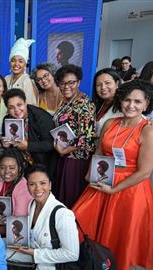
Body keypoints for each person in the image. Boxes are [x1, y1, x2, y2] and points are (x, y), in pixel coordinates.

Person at [73, 80, 153, 270]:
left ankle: (107, 266)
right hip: (102, 179)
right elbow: (99, 153)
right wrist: (89, 174)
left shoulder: (147, 130)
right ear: (120, 100)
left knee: (117, 230)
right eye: (127, 100)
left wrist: (114, 189)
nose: (131, 105)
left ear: (146, 104)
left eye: (137, 101)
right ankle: (88, 259)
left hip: (129, 188)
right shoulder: (111, 123)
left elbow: (144, 172)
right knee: (79, 219)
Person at [14, 164, 79, 270]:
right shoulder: (32, 204)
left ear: (50, 184)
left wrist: (36, 253)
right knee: (0, 253)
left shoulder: (62, 214)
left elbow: (72, 254)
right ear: (27, 187)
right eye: (32, 184)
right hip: (34, 255)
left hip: (54, 268)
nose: (38, 189)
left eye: (42, 183)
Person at [52, 64, 96, 208]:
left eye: (71, 82)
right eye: (62, 83)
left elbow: (87, 138)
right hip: (64, 156)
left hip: (76, 160)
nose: (66, 86)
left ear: (79, 82)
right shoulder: (66, 101)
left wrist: (64, 150)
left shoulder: (84, 104)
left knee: (71, 200)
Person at [2, 88, 57, 179]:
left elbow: (51, 144)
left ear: (25, 102)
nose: (16, 110)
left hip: (42, 164)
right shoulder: (7, 120)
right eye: (11, 107)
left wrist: (28, 146)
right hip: (21, 165)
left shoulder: (41, 117)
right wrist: (5, 144)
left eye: (19, 105)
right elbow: (8, 146)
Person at [0, 148, 32, 222]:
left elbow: (19, 220)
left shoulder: (23, 187)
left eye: (12, 168)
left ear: (20, 168)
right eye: (2, 168)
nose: (6, 171)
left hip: (10, 229)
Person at [5, 38, 38, 106]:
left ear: (25, 64)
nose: (16, 64)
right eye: (13, 60)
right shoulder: (6, 79)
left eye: (20, 61)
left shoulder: (27, 81)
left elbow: (30, 107)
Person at [93, 68, 123, 137]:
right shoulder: (97, 104)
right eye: (98, 85)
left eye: (107, 83)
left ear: (117, 83)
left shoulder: (123, 107)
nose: (103, 87)